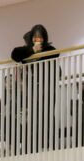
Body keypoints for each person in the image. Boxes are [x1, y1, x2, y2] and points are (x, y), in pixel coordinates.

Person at [11, 25, 60, 153]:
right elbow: (14, 54)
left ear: (44, 38)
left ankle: (51, 144)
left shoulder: (49, 49)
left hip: (47, 88)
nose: (37, 40)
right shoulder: (26, 49)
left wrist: (40, 52)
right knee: (34, 116)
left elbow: (56, 54)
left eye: (40, 38)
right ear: (31, 38)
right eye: (35, 37)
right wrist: (32, 50)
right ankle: (34, 146)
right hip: (32, 89)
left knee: (48, 115)